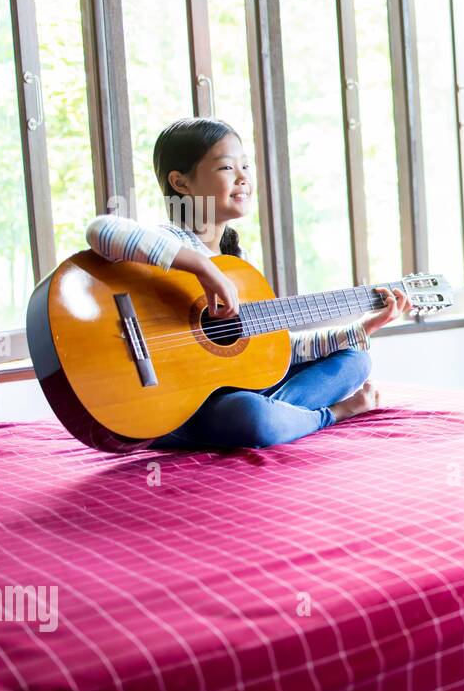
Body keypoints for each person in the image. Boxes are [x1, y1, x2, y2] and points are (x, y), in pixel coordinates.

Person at [84, 117, 411, 449]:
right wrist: (202, 267)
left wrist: (359, 329)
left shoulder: (236, 264)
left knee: (355, 360)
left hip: (229, 391)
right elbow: (101, 230)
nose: (243, 178)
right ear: (181, 183)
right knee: (250, 414)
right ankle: (329, 415)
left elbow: (274, 351)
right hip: (179, 402)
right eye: (227, 168)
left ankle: (272, 417)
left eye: (245, 165)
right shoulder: (166, 243)